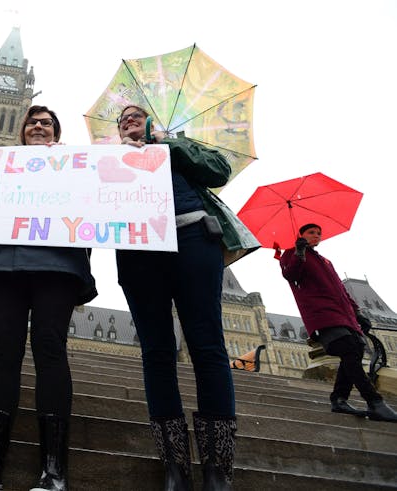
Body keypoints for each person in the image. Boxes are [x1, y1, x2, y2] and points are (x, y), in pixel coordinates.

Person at [0, 106, 97, 491]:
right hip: (9, 264)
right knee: (4, 353)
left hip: (58, 265)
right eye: (32, 122)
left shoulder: (75, 164)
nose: (38, 126)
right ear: (21, 132)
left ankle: (54, 472)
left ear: (55, 133)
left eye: (46, 122)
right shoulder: (1, 165)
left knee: (49, 350)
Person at [114, 105, 258, 491]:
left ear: (152, 121)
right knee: (157, 352)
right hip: (138, 249)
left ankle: (217, 469)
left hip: (192, 235)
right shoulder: (107, 158)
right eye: (122, 118)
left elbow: (218, 171)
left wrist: (168, 144)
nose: (128, 118)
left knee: (207, 346)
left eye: (136, 114)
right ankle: (175, 466)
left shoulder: (177, 145)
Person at [281, 223, 397, 422]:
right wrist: (299, 252)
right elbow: (290, 274)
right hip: (323, 315)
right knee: (350, 351)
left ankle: (339, 399)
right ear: (301, 235)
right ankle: (374, 402)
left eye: (319, 233)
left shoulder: (325, 261)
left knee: (355, 352)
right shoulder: (291, 254)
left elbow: (341, 291)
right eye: (311, 233)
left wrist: (357, 312)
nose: (316, 236)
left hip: (344, 315)